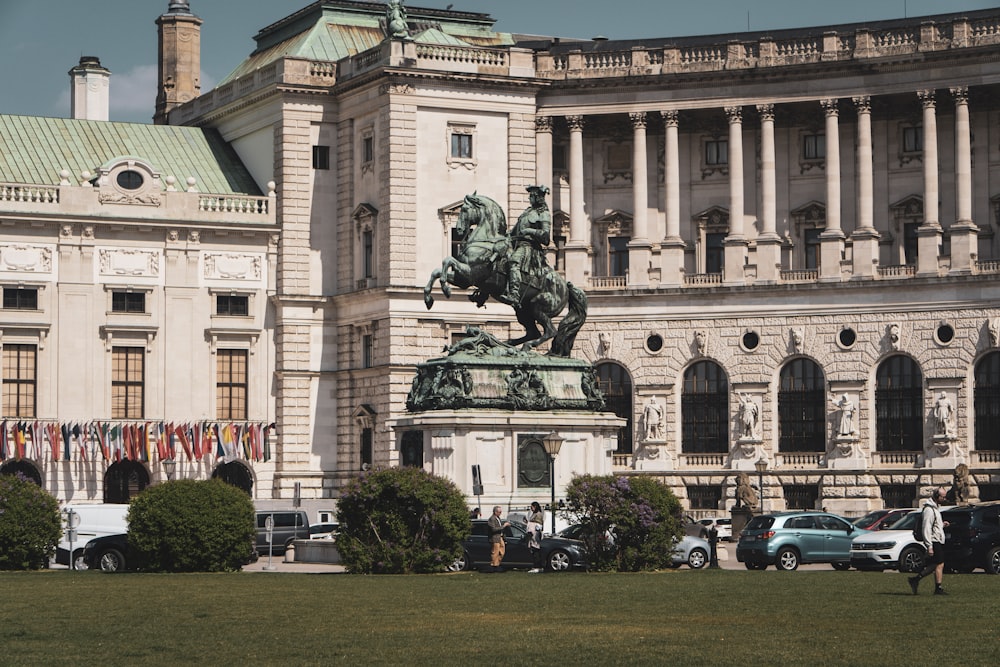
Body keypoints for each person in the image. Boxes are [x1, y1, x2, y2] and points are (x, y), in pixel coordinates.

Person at [501, 185, 551, 306]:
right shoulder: (527, 212)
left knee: (514, 261)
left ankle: (514, 294)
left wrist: (530, 231)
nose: (529, 198)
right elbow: (515, 230)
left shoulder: (544, 214)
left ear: (537, 198)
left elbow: (546, 237)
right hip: (517, 243)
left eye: (531, 196)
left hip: (529, 247)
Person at [909, 486, 950, 595]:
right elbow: (926, 528)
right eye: (943, 497)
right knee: (940, 563)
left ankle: (916, 579)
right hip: (934, 540)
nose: (944, 499)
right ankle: (938, 587)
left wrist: (942, 524)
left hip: (937, 539)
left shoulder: (935, 508)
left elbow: (934, 525)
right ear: (937, 496)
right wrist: (929, 545)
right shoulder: (929, 510)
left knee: (935, 564)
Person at [487, 505, 510, 573]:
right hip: (495, 538)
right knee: (495, 552)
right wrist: (504, 526)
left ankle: (497, 564)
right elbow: (493, 529)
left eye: (500, 512)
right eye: (499, 512)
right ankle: (494, 566)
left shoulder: (498, 518)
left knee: (502, 552)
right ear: (495, 512)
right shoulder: (492, 519)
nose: (500, 513)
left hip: (500, 537)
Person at [526, 501, 545, 573]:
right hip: (532, 534)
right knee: (534, 551)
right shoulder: (533, 514)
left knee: (536, 551)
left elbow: (539, 524)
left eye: (532, 507)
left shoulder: (538, 514)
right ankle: (537, 566)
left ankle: (537, 566)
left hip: (535, 535)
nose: (531, 508)